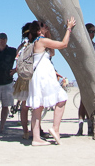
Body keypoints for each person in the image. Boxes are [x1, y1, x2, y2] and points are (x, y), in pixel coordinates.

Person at [28, 17, 76, 146]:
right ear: (39, 31)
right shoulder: (42, 41)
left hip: (39, 75)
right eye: (43, 25)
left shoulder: (39, 41)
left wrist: (48, 33)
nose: (46, 26)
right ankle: (54, 128)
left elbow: (52, 53)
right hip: (43, 76)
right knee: (61, 97)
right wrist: (69, 28)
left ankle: (36, 138)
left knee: (38, 106)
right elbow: (63, 44)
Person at [77, 22, 95, 135]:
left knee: (92, 99)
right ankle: (81, 124)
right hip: (84, 73)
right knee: (83, 99)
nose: (93, 34)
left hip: (93, 74)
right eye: (91, 31)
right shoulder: (81, 44)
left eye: (94, 31)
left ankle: (90, 124)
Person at [13, 22, 32, 139]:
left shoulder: (20, 47)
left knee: (24, 106)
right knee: (31, 106)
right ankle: (32, 130)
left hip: (22, 78)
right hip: (30, 78)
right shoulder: (31, 46)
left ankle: (26, 131)